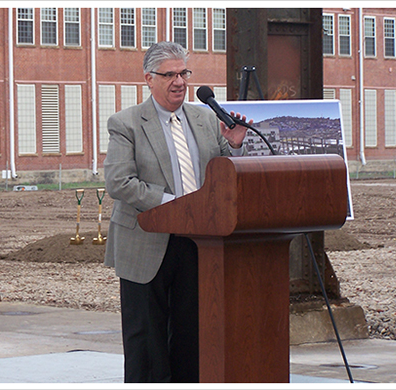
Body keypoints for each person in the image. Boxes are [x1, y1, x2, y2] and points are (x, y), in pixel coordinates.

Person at [103, 41, 252, 383]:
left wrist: (236, 144)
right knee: (147, 341)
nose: (179, 82)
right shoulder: (126, 123)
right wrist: (176, 205)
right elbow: (119, 183)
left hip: (197, 243)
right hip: (145, 241)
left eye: (183, 73)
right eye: (169, 74)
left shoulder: (205, 118)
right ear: (148, 79)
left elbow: (222, 175)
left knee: (191, 335)